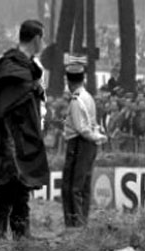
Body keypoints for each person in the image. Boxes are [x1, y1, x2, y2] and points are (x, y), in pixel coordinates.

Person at [0, 19, 50, 239]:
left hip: (26, 137)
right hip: (9, 138)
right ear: (36, 39)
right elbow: (0, 109)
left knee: (23, 186)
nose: (43, 43)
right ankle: (0, 233)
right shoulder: (10, 68)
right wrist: (7, 144)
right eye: (42, 38)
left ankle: (21, 233)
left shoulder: (30, 68)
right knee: (10, 182)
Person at [62, 62, 107, 227]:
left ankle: (74, 224)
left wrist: (96, 137)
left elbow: (81, 128)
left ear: (69, 82)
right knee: (84, 184)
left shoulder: (76, 100)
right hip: (89, 145)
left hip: (78, 143)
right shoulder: (88, 97)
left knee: (72, 186)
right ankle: (83, 221)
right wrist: (97, 137)